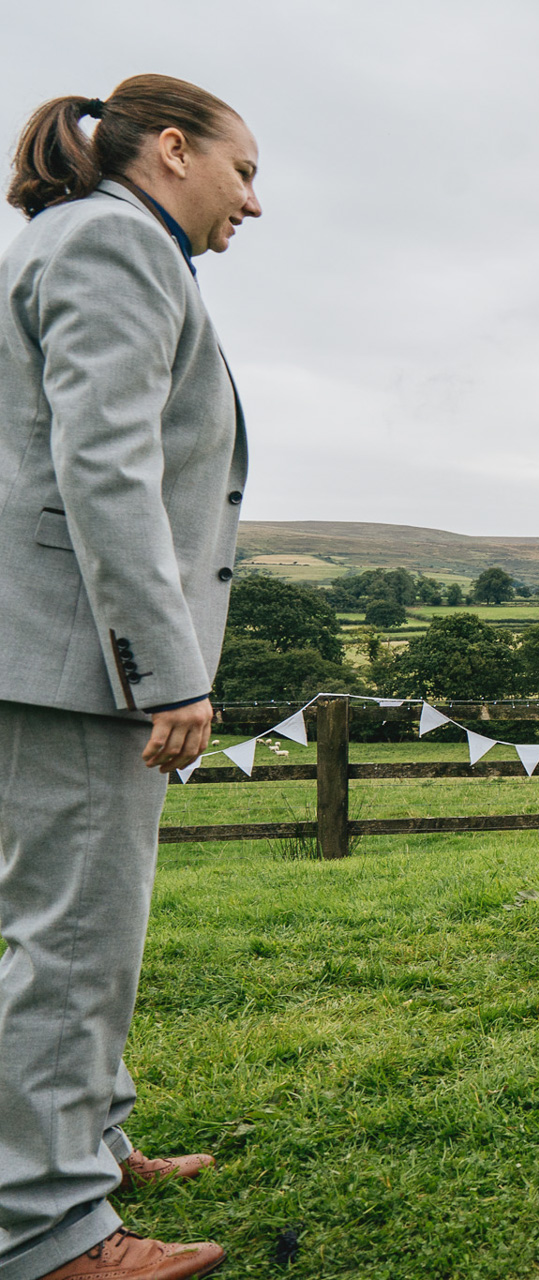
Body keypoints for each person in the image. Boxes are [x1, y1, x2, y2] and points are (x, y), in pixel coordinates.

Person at [0, 75, 260, 1279]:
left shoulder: (92, 240)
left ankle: (90, 1141)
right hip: (75, 662)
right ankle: (52, 1233)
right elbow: (104, 470)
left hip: (56, 652)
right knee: (70, 939)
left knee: (89, 926)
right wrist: (165, 670)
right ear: (171, 149)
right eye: (242, 172)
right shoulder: (111, 241)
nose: (251, 202)